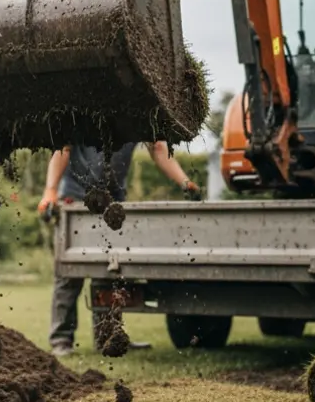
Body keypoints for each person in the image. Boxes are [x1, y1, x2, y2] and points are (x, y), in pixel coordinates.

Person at [38, 141, 202, 356]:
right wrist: (50, 190)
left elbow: (158, 148)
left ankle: (107, 338)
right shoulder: (82, 117)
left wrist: (184, 182)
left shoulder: (139, 121)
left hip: (113, 201)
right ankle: (61, 340)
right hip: (75, 198)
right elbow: (64, 148)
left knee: (110, 270)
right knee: (69, 273)